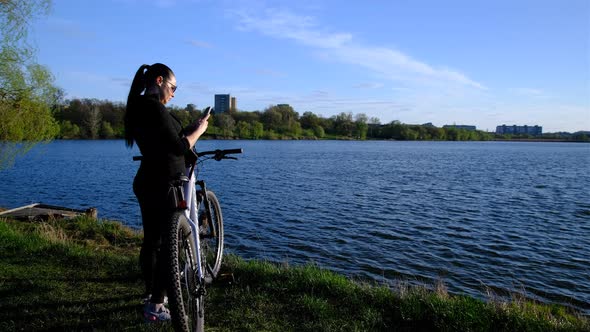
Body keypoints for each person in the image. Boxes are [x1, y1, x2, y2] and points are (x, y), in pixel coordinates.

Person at [124, 63, 209, 322]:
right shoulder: (154, 108)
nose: (173, 94)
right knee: (167, 246)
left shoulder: (139, 107)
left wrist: (186, 130)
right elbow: (177, 147)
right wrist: (198, 131)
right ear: (159, 81)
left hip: (148, 180)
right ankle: (157, 306)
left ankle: (150, 294)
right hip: (164, 183)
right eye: (173, 88)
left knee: (152, 241)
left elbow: (163, 141)